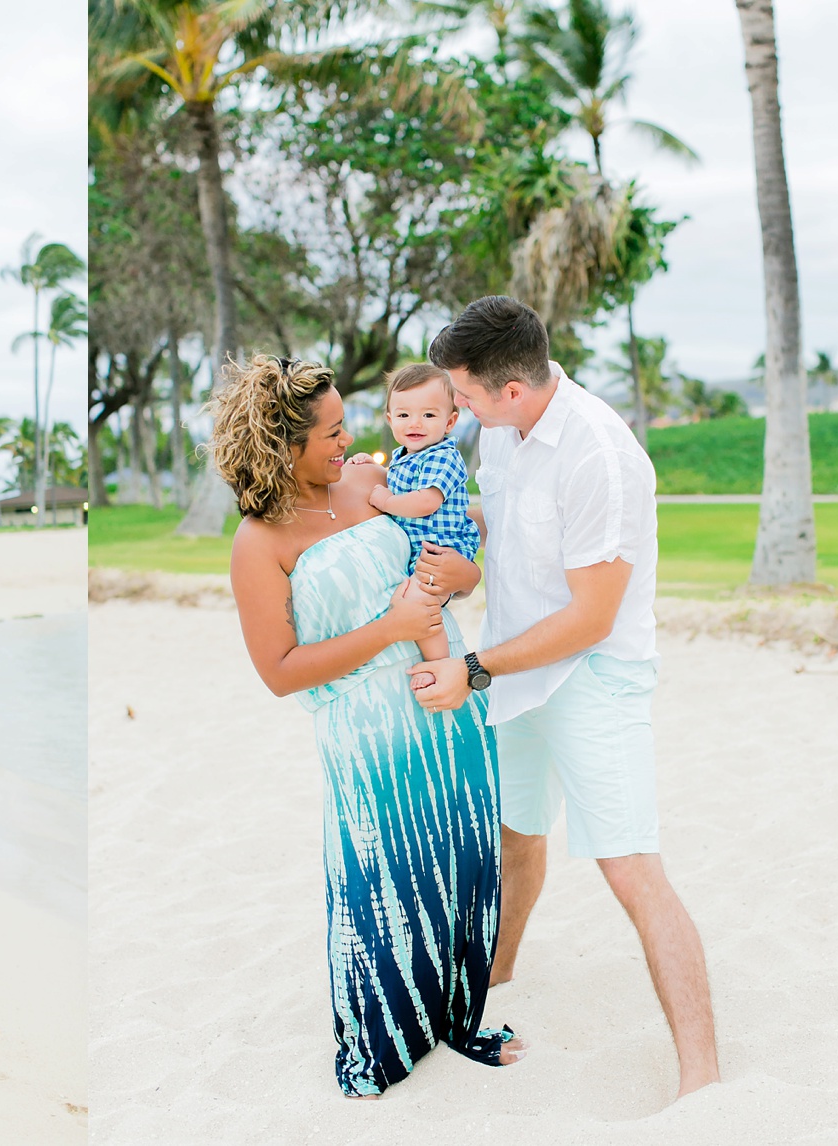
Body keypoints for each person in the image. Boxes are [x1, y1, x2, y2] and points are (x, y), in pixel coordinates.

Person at [410, 295, 720, 1099]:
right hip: (516, 671)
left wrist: (473, 669)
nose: (459, 410)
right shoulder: (504, 433)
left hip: (593, 677)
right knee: (517, 839)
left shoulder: (600, 456)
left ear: (511, 389)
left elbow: (590, 617)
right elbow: (508, 526)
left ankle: (703, 1080)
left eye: (466, 396)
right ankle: (501, 982)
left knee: (629, 867)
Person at [211, 353, 524, 1098]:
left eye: (348, 424)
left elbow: (453, 546)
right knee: (381, 883)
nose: (348, 443)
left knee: (459, 863)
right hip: (367, 735)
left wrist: (465, 577)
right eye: (330, 432)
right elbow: (279, 669)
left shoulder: (373, 484)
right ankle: (386, 1038)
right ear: (284, 445)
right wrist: (388, 629)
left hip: (447, 703)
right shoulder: (261, 542)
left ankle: (457, 1016)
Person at [348, 362, 483, 685]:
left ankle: (439, 666)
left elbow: (425, 502)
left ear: (450, 421)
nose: (415, 423)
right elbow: (396, 482)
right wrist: (369, 464)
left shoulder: (443, 456)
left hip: (442, 550)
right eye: (405, 415)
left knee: (420, 603)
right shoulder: (403, 456)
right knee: (404, 599)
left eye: (429, 415)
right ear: (390, 418)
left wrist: (386, 502)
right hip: (420, 552)